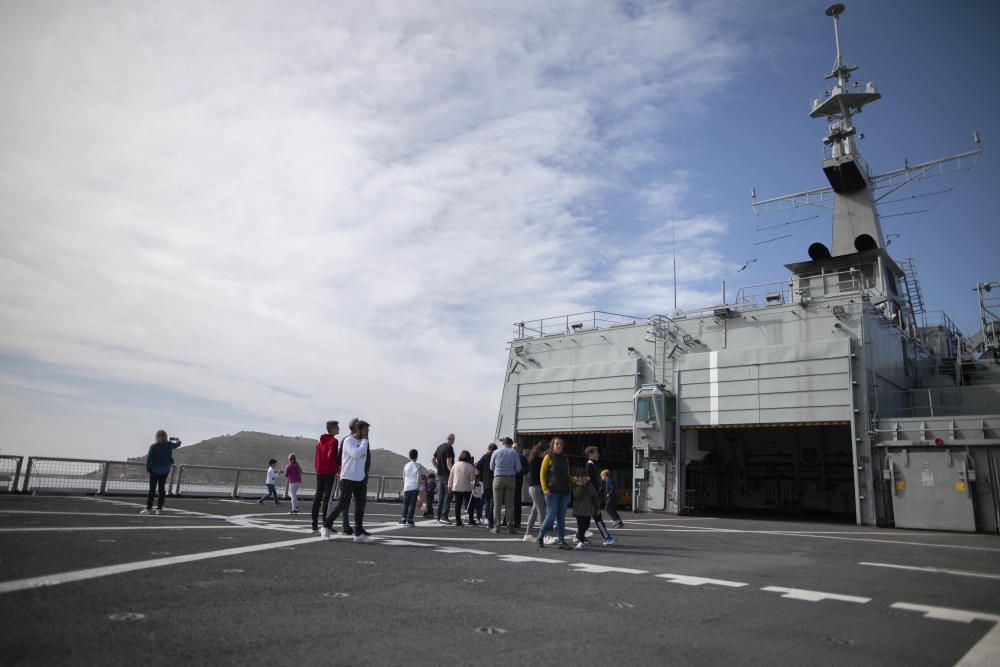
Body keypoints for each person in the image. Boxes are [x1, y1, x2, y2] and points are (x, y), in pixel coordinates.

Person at [323, 418, 374, 543]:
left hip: (360, 478)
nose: (367, 433)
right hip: (348, 478)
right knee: (343, 504)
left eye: (368, 431)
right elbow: (356, 454)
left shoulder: (363, 442)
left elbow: (364, 459)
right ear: (358, 430)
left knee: (360, 506)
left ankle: (358, 533)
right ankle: (326, 526)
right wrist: (365, 441)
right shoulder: (348, 440)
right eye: (365, 430)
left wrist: (364, 474)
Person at [536, 436, 572, 549]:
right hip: (552, 492)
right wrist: (544, 488)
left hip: (564, 492)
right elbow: (542, 474)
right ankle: (540, 536)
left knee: (561, 517)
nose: (559, 446)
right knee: (551, 516)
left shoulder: (565, 459)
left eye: (561, 444)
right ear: (552, 445)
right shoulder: (548, 457)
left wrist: (576, 480)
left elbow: (567, 475)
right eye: (557, 444)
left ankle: (561, 541)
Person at [141, 430, 182, 515]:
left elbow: (149, 459)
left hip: (154, 470)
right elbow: (178, 444)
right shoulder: (169, 445)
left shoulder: (153, 446)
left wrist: (148, 469)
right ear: (166, 436)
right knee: (161, 489)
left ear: (156, 437)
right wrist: (177, 439)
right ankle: (159, 509)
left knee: (152, 489)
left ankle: (148, 508)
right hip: (165, 470)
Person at [584, 446, 617, 546]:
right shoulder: (590, 465)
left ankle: (579, 536)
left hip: (592, 495)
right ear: (590, 454)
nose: (598, 454)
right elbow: (588, 481)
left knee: (586, 518)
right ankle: (606, 537)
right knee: (597, 517)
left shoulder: (593, 464)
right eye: (596, 452)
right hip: (591, 496)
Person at [311, 421, 340, 532]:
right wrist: (337, 469)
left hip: (320, 472)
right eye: (337, 427)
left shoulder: (319, 442)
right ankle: (326, 524)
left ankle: (314, 524)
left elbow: (318, 457)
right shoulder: (333, 441)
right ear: (332, 429)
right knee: (327, 500)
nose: (339, 429)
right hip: (329, 473)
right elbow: (330, 457)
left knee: (318, 497)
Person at [490, 437, 522, 534]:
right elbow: (519, 468)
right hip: (510, 479)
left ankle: (496, 527)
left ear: (503, 443)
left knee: (497, 504)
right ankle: (510, 527)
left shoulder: (495, 452)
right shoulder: (515, 453)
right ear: (511, 444)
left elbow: (491, 467)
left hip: (498, 477)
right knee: (509, 504)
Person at [522, 440, 549, 542]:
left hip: (534, 487)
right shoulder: (537, 460)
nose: (547, 454)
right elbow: (535, 475)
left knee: (534, 512)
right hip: (537, 487)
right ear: (542, 451)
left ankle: (527, 534)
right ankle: (543, 536)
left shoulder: (534, 459)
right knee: (542, 512)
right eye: (547, 452)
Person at [571, 471, 601, 549]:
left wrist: (597, 507)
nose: (583, 478)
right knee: (581, 526)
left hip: (588, 510)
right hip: (579, 510)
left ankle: (578, 537)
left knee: (586, 525)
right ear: (577, 477)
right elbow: (576, 495)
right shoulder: (575, 485)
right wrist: (581, 485)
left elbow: (594, 496)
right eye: (581, 477)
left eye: (584, 476)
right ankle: (581, 542)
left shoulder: (589, 484)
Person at [447, 450, 476, 527]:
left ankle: (458, 520)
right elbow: (472, 479)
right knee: (470, 504)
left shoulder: (455, 465)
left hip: (456, 487)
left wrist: (449, 485)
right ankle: (471, 519)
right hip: (467, 488)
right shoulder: (470, 466)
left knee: (458, 504)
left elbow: (451, 476)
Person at [432, 434, 456, 523]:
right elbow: (449, 463)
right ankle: (444, 516)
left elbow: (433, 460)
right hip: (447, 475)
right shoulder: (449, 448)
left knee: (441, 496)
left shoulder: (439, 447)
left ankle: (438, 516)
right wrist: (454, 473)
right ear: (452, 439)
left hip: (440, 475)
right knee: (448, 495)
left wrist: (438, 468)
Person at [475, 443, 497, 529]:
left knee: (488, 501)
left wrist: (478, 479)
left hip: (486, 482)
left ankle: (487, 518)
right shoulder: (496, 456)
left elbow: (477, 468)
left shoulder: (485, 456)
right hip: (495, 480)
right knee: (493, 501)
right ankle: (491, 519)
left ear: (489, 448)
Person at [401, 449, 420, 526]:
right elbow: (418, 477)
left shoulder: (406, 465)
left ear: (409, 456)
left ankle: (403, 519)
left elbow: (404, 476)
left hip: (407, 486)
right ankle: (410, 520)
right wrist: (418, 486)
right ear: (417, 456)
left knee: (406, 503)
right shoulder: (418, 465)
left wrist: (405, 485)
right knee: (412, 504)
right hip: (414, 486)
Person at [512, 442, 528, 528]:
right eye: (512, 447)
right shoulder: (510, 457)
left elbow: (526, 469)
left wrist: (518, 472)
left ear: (519, 449)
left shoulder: (522, 458)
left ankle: (517, 522)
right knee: (509, 501)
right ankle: (506, 520)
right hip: (510, 481)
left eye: (515, 448)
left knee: (517, 502)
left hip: (518, 482)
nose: (513, 449)